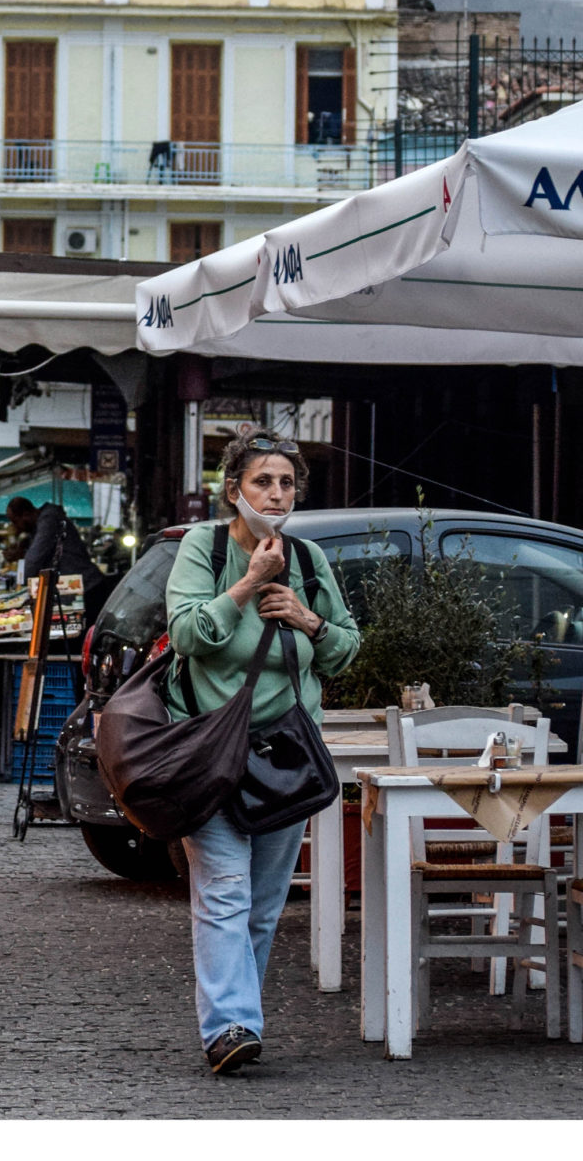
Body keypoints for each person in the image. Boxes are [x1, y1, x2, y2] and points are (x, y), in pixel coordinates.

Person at [165, 432, 360, 1074]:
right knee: (224, 891)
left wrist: (308, 620)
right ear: (233, 491)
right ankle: (231, 1027)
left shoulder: (306, 559)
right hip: (212, 750)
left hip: (287, 754)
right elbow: (188, 634)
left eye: (286, 483)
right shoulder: (206, 547)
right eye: (262, 483)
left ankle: (237, 1016)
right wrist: (248, 584)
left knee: (265, 902)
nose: (276, 495)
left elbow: (346, 648)